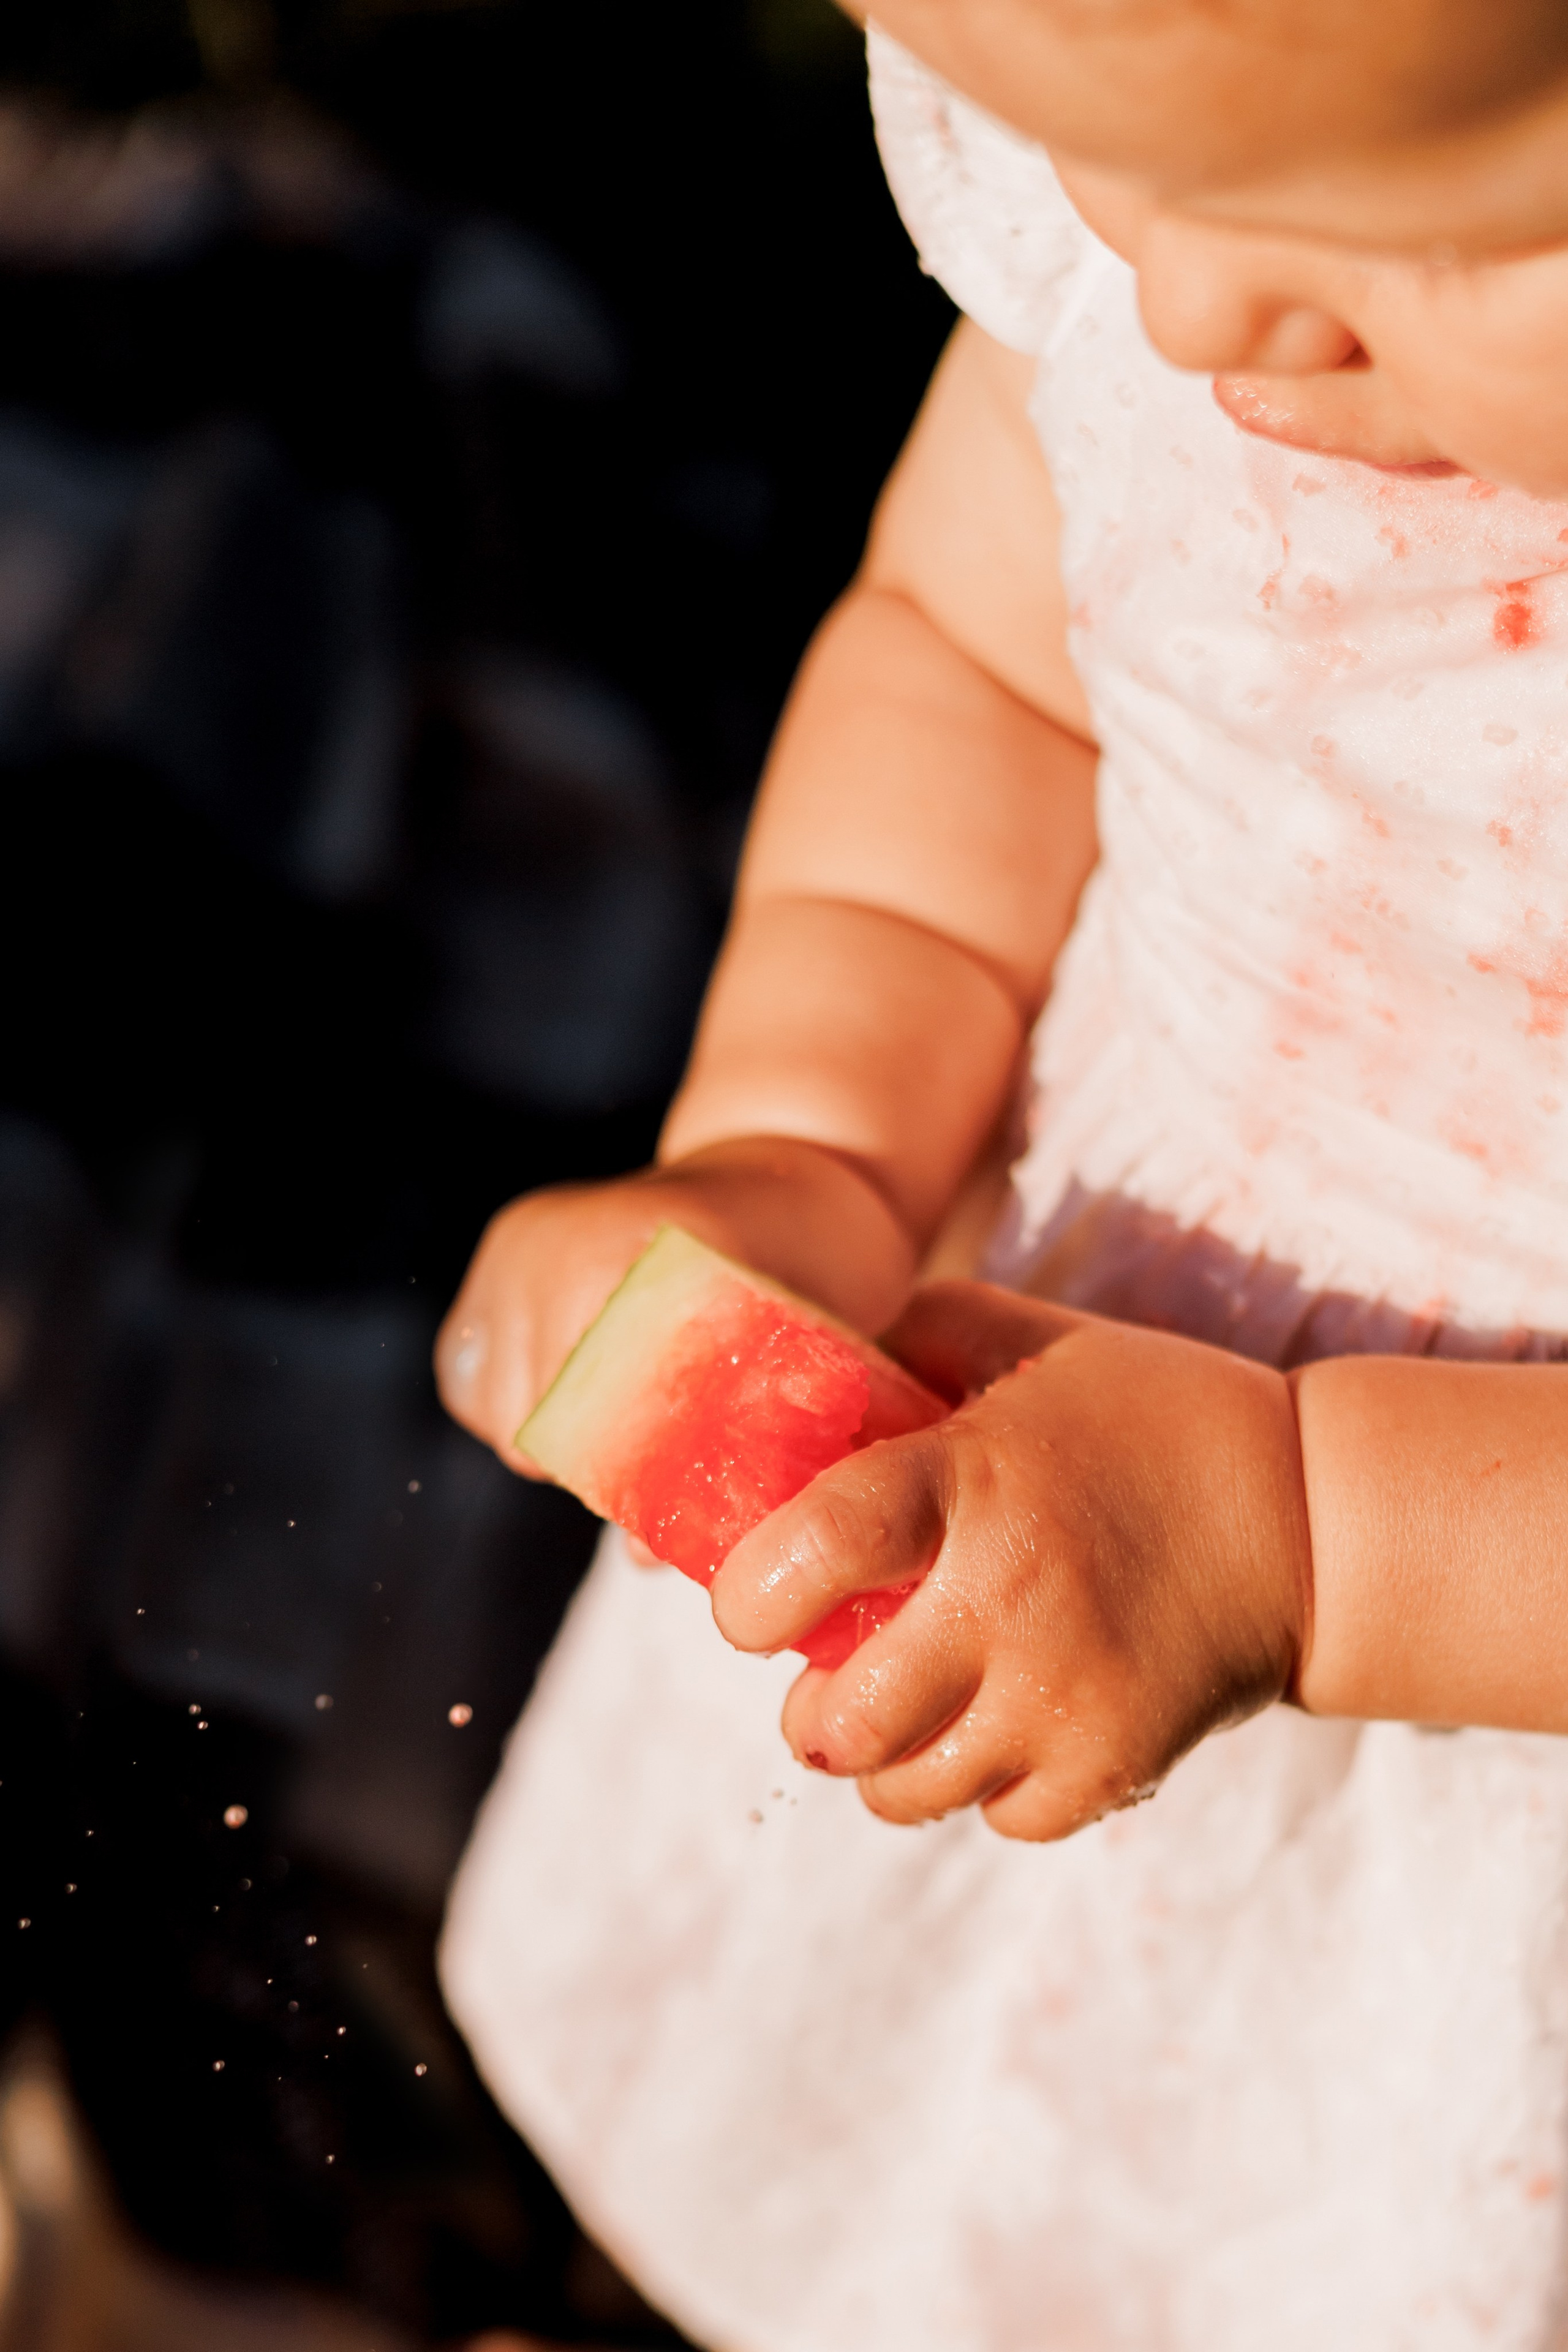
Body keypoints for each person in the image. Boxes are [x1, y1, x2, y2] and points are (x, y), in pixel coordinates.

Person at [435, 2, 1568, 2343]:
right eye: (1106, 182)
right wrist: (806, 1148)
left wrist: (1310, 1531)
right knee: (909, 2197)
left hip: (1486, 1754)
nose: (1191, 311)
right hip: (1047, 1444)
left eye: (1463, 232)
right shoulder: (1222, 228)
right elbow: (982, 660)